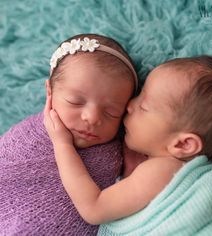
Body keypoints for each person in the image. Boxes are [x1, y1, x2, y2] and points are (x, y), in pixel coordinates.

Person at [44, 55, 212, 235]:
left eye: (144, 106)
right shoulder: (176, 173)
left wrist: (62, 144)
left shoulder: (163, 169)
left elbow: (93, 208)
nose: (129, 105)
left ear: (183, 144)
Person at [0, 33, 140, 235]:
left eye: (112, 112)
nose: (92, 118)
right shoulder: (26, 138)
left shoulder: (118, 152)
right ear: (50, 92)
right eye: (75, 101)